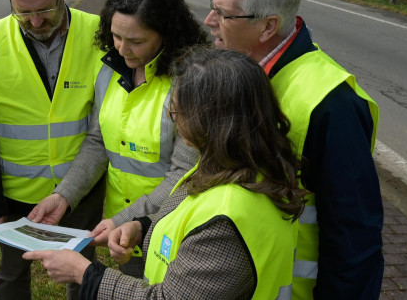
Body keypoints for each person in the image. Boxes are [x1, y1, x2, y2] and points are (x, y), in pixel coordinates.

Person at [24, 47, 307, 299]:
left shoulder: (226, 219)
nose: (175, 120)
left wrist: (86, 275)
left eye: (177, 111)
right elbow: (190, 222)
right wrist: (143, 227)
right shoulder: (232, 168)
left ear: (208, 120)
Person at [203, 0, 382, 299]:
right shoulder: (239, 73)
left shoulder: (331, 104)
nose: (209, 20)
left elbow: (354, 237)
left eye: (223, 13)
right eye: (213, 6)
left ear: (268, 26)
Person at [28, 0, 204, 277]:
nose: (122, 50)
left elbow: (184, 175)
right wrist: (64, 196)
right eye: (116, 37)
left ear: (167, 35)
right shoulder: (109, 70)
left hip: (171, 225)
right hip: (122, 231)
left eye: (136, 41)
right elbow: (98, 142)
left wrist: (125, 218)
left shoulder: (191, 81)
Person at [0, 0, 105, 300]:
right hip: (16, 198)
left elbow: (105, 123)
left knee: (81, 275)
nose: (36, 21)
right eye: (23, 11)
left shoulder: (99, 34)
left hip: (81, 192)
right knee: (12, 276)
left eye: (45, 9)